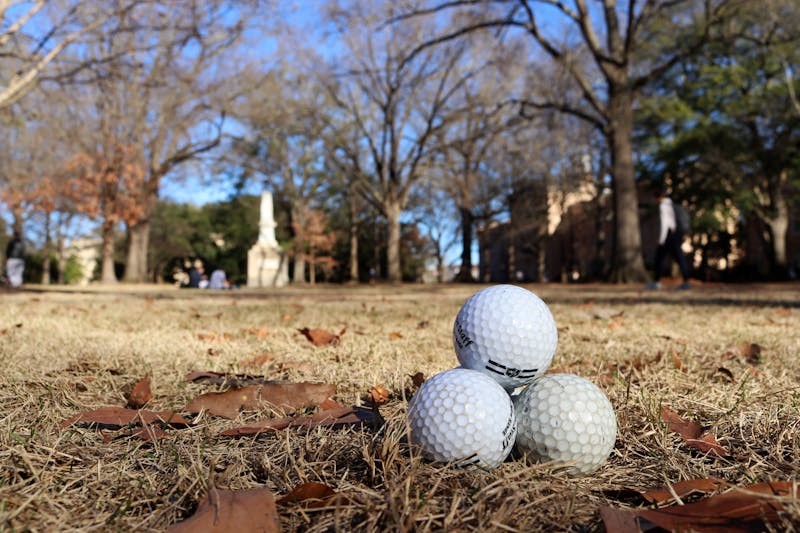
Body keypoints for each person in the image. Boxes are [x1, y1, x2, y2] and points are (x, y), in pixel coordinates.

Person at [647, 188, 691, 290]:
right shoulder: (672, 204)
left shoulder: (664, 206)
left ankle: (656, 282)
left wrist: (661, 239)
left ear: (659, 197)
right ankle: (686, 280)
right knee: (678, 258)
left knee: (659, 258)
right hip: (676, 235)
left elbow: (665, 224)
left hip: (669, 235)